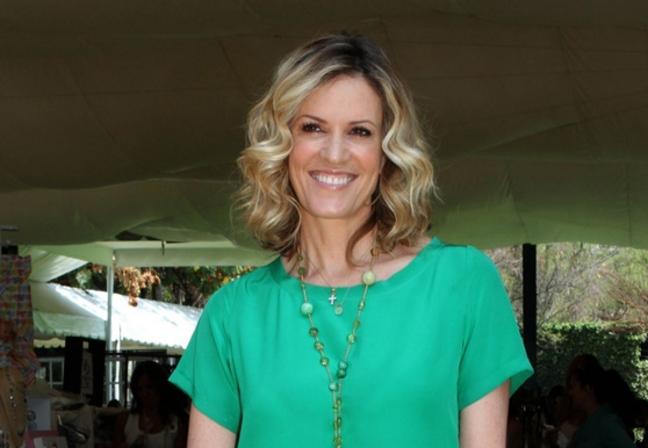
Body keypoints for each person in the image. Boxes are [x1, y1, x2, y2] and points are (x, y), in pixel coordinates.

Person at [168, 32, 533, 448]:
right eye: (312, 127)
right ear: (283, 143)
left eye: (359, 131)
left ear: (387, 151)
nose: (335, 153)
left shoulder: (463, 284)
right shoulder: (233, 314)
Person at [565, 354, 635, 448]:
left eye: (573, 386)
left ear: (588, 388)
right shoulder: (592, 423)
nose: (570, 393)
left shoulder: (606, 423)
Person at [113, 361, 187, 448]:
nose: (144, 394)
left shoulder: (176, 423)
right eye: (140, 389)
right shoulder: (125, 420)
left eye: (149, 387)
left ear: (160, 387)